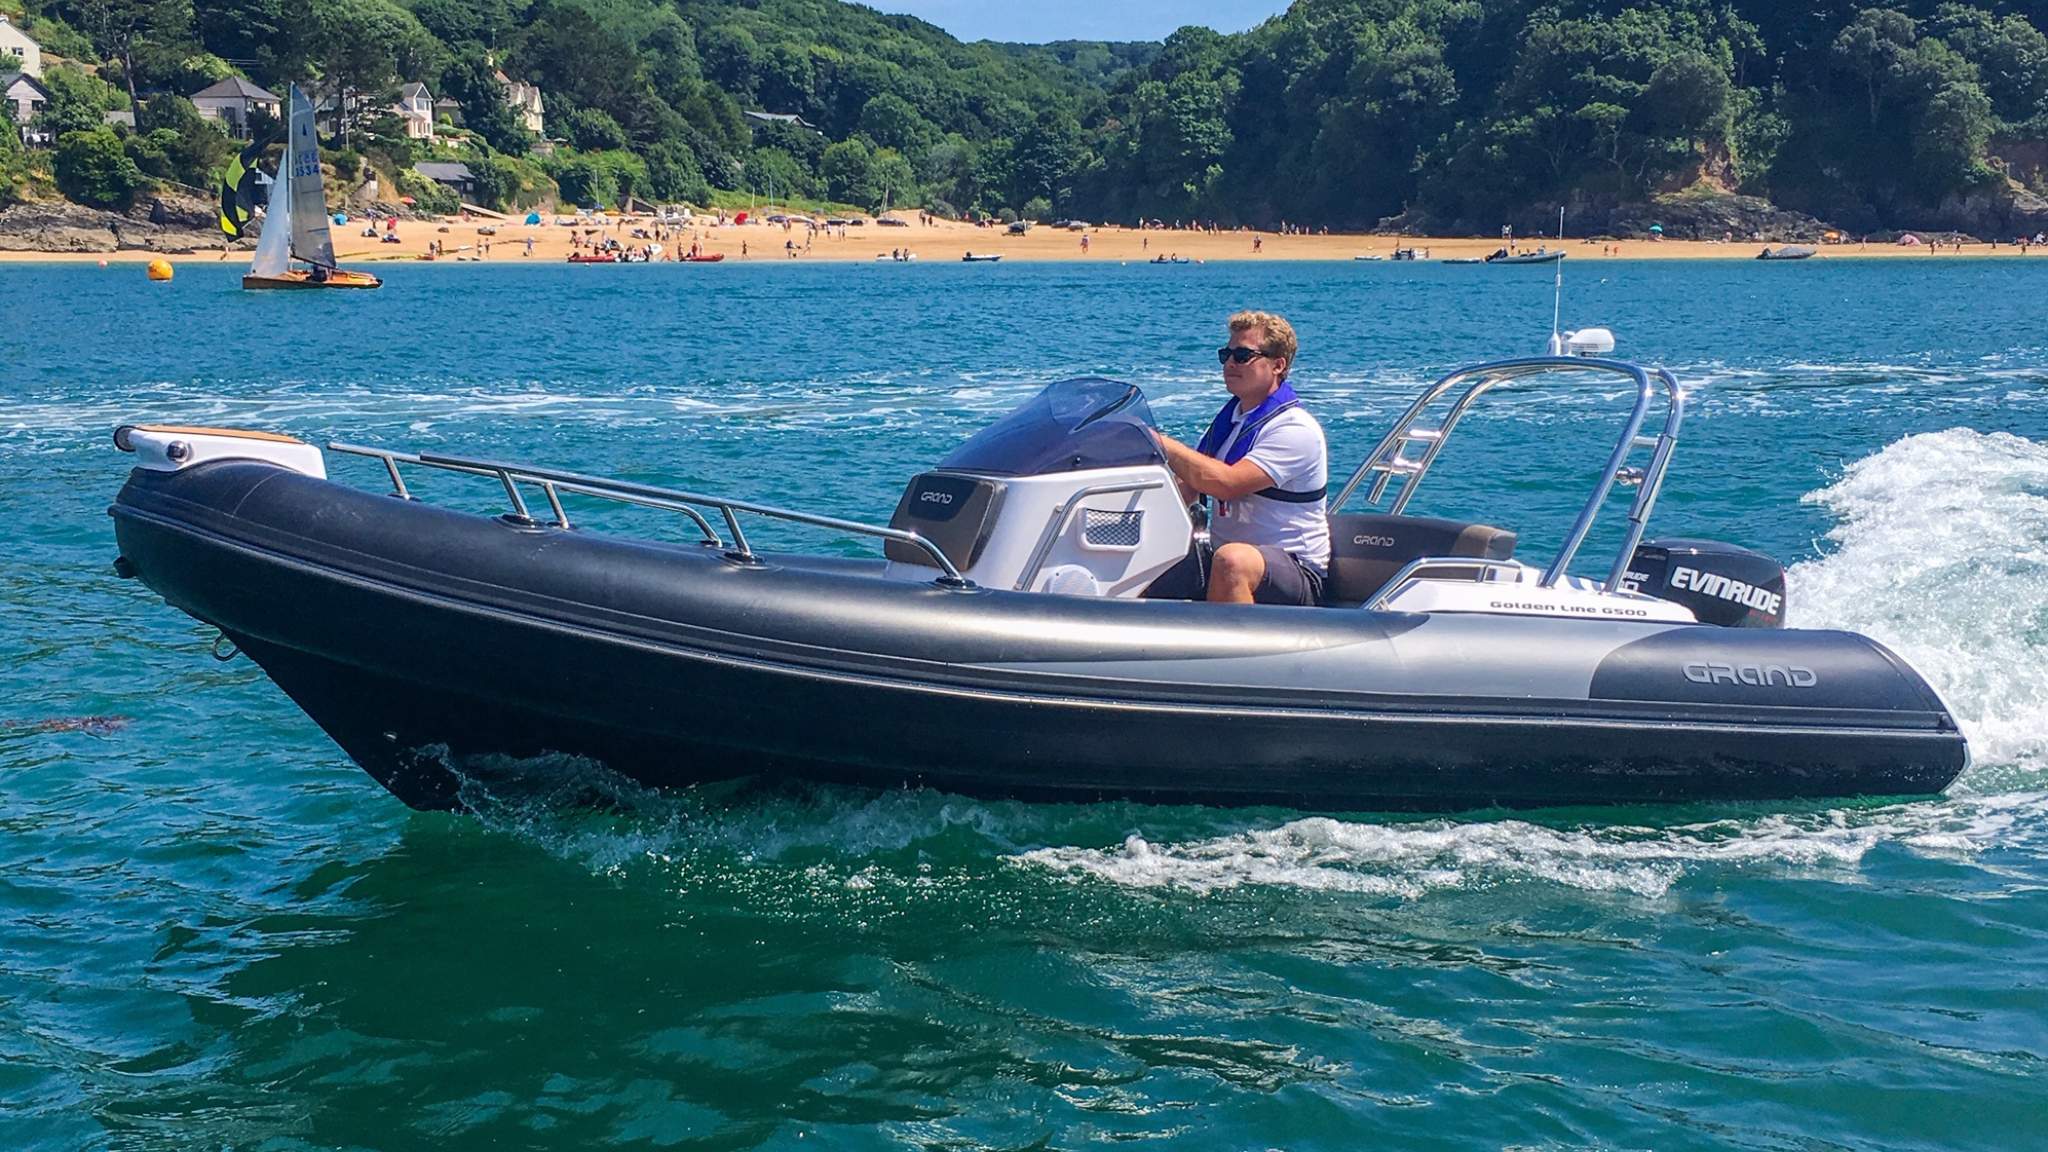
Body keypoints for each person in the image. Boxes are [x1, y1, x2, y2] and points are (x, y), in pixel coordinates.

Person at [1146, 311, 1330, 606]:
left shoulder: (1295, 428)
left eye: (1243, 355)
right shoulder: (1231, 421)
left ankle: (1236, 650)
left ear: (1277, 365)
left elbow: (1226, 484)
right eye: (1226, 354)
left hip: (1295, 567)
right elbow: (1190, 486)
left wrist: (1157, 442)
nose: (1230, 362)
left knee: (1233, 561)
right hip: (1222, 553)